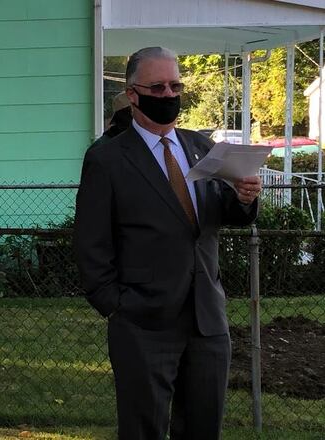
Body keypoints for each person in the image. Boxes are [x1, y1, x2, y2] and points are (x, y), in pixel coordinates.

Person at [73, 47, 262, 439]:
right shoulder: (107, 158)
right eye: (157, 87)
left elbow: (222, 213)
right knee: (144, 429)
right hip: (143, 323)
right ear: (132, 94)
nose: (168, 94)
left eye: (175, 85)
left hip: (207, 319)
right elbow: (91, 243)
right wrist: (117, 305)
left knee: (202, 428)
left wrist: (244, 198)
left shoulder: (202, 147)